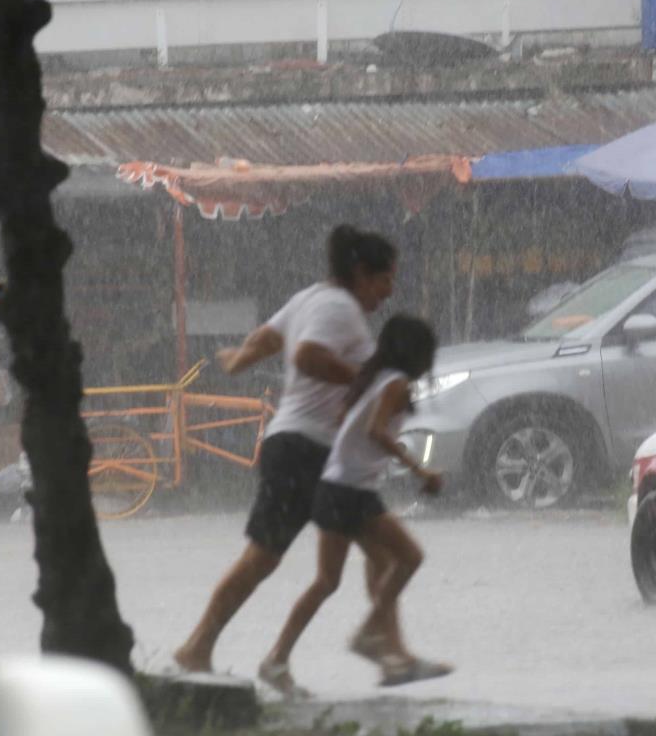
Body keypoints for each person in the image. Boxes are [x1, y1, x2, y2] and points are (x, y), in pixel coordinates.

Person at [174, 225, 409, 686]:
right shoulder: (339, 308)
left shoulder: (311, 298)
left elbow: (267, 336)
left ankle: (382, 654)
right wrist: (367, 383)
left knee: (380, 554)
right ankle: (199, 646)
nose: (389, 290)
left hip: (318, 455)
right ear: (362, 273)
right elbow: (305, 355)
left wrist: (241, 360)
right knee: (264, 558)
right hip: (305, 451)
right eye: (385, 279)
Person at [258, 314, 452, 690]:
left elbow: (348, 419)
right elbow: (375, 430)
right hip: (349, 492)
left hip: (337, 486)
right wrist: (420, 471)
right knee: (409, 558)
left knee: (343, 576)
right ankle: (370, 635)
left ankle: (280, 659)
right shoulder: (394, 384)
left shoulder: (374, 378)